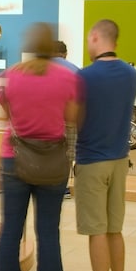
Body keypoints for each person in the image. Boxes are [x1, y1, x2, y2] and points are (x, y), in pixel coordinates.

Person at [0, 23, 79, 271]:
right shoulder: (67, 76)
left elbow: (4, 114)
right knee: (49, 235)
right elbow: (72, 118)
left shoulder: (13, 74)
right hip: (52, 162)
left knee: (10, 233)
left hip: (14, 160)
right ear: (55, 49)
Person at [71, 19, 136, 271]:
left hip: (92, 160)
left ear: (95, 37)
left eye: (89, 40)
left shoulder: (84, 77)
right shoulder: (131, 74)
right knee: (114, 228)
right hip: (120, 160)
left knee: (96, 229)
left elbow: (74, 117)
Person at [52, 40, 80, 199]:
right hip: (69, 121)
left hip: (47, 121)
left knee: (49, 154)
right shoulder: (76, 71)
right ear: (65, 54)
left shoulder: (41, 70)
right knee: (67, 156)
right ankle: (62, 188)